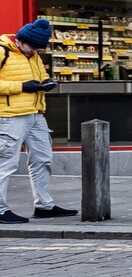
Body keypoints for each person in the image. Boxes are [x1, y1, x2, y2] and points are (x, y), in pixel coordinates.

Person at [0, 18, 75, 223]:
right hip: (9, 116)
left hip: (35, 114)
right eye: (31, 47)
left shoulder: (34, 56)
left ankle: (44, 205)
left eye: (38, 49)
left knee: (43, 159)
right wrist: (22, 86)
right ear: (20, 40)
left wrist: (45, 83)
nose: (33, 51)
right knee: (6, 162)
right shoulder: (2, 51)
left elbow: (40, 76)